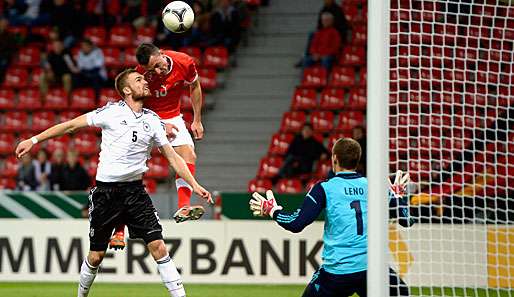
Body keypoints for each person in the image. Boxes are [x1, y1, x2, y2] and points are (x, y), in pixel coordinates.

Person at [15, 68, 212, 297]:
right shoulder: (109, 113)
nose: (145, 81)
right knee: (96, 256)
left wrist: (194, 185)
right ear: (127, 90)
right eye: (139, 80)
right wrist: (33, 139)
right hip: (105, 193)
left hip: (136, 192)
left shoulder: (152, 120)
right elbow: (70, 126)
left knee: (158, 246)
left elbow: (173, 158)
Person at [249, 138, 413, 297]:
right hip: (371, 270)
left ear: (334, 158)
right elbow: (407, 220)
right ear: (358, 160)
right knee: (403, 293)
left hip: (337, 274)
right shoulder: (375, 186)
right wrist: (398, 197)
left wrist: (272, 210)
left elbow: (295, 223)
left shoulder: (324, 188)